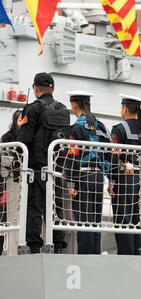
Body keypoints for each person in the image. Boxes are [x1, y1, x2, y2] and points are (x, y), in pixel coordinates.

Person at [17, 73, 68, 254]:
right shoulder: (63, 110)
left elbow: (23, 141)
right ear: (53, 89)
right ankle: (58, 246)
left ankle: (34, 247)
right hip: (56, 170)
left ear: (35, 89)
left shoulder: (32, 109)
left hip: (35, 169)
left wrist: (17, 169)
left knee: (34, 208)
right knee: (55, 209)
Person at [107, 94, 141, 255]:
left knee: (124, 219)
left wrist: (112, 181)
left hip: (125, 179)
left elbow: (115, 157)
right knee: (139, 219)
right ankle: (139, 254)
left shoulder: (119, 129)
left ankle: (126, 255)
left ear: (124, 109)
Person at [65, 91, 111, 254]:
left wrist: (70, 182)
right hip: (98, 178)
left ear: (74, 105)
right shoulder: (101, 126)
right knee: (95, 221)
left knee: (84, 220)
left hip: (82, 176)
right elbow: (108, 153)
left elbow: (73, 155)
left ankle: (85, 257)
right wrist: (109, 179)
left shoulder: (77, 127)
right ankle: (95, 256)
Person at [0, 110, 23, 256]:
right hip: (10, 182)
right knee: (10, 218)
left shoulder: (30, 137)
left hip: (24, 182)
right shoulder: (7, 137)